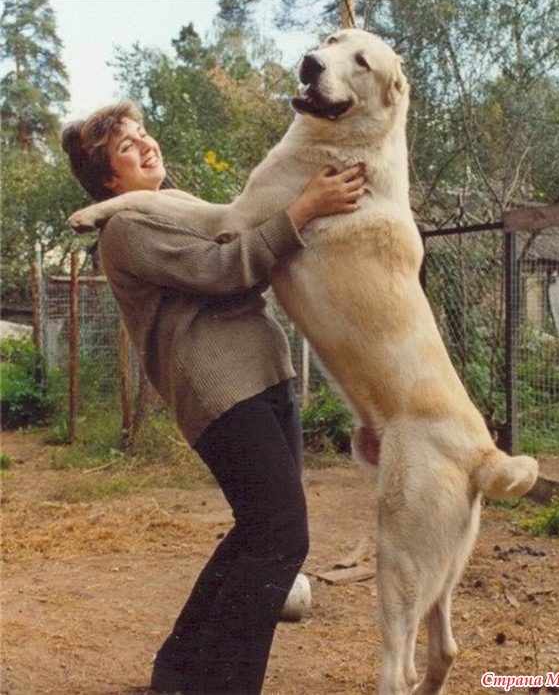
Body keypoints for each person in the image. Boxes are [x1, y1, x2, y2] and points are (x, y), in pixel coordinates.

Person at [62, 100, 365, 695]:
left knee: (259, 530)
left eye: (145, 133)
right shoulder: (125, 230)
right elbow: (226, 268)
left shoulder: (175, 205)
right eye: (128, 146)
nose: (147, 145)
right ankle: (225, 684)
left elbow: (243, 230)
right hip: (220, 390)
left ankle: (179, 673)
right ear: (106, 179)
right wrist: (304, 208)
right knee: (282, 534)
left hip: (264, 376)